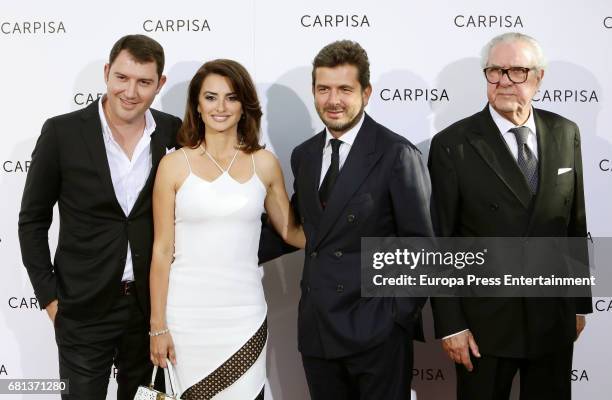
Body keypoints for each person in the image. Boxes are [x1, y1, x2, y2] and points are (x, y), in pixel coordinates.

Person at [428, 32, 592, 400]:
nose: (504, 81)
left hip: (552, 319)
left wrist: (580, 305)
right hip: (484, 327)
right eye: (495, 71)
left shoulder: (567, 132)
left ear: (539, 77)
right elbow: (440, 241)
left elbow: (575, 225)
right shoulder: (453, 144)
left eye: (517, 71)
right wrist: (451, 325)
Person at [18, 34, 181, 399]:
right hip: (82, 309)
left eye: (144, 82)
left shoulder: (172, 131)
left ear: (160, 84)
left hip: (150, 310)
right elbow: (32, 220)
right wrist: (51, 300)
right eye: (122, 77)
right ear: (107, 72)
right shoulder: (62, 132)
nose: (131, 91)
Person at [148, 59, 305, 399]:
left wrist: (350, 227)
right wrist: (157, 325)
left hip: (243, 316)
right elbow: (161, 250)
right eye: (211, 97)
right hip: (186, 317)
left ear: (244, 105)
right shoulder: (173, 165)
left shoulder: (264, 163)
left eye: (231, 98)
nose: (221, 107)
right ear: (197, 105)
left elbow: (292, 232)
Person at [289, 40, 433, 400]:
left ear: (366, 93)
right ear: (313, 91)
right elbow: (303, 226)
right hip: (318, 331)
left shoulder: (396, 153)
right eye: (324, 89)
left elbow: (421, 248)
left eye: (344, 89)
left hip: (375, 332)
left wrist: (393, 318)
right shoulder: (304, 155)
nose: (333, 100)